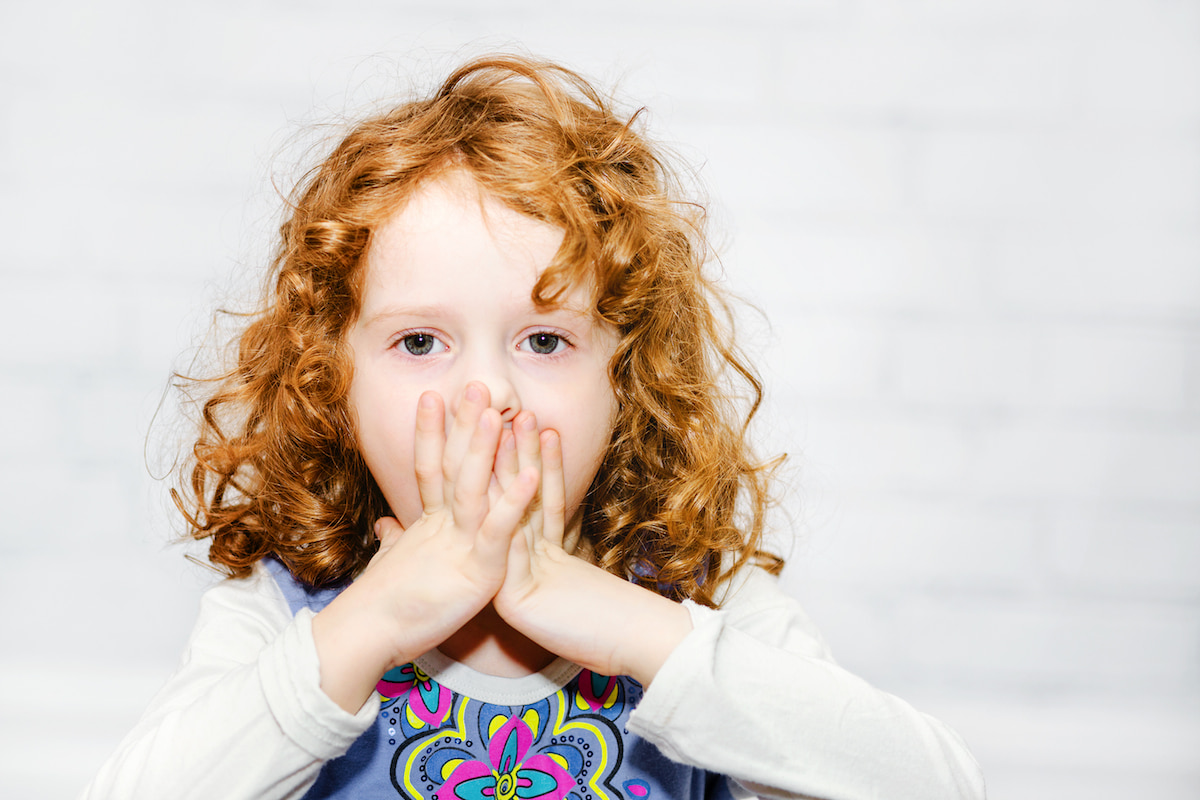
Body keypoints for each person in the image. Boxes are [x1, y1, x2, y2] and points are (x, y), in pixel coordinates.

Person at [82, 55, 986, 800]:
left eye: (544, 339)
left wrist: (634, 630)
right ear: (334, 388)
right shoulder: (283, 624)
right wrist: (373, 623)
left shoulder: (701, 606)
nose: (489, 391)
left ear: (625, 383)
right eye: (421, 340)